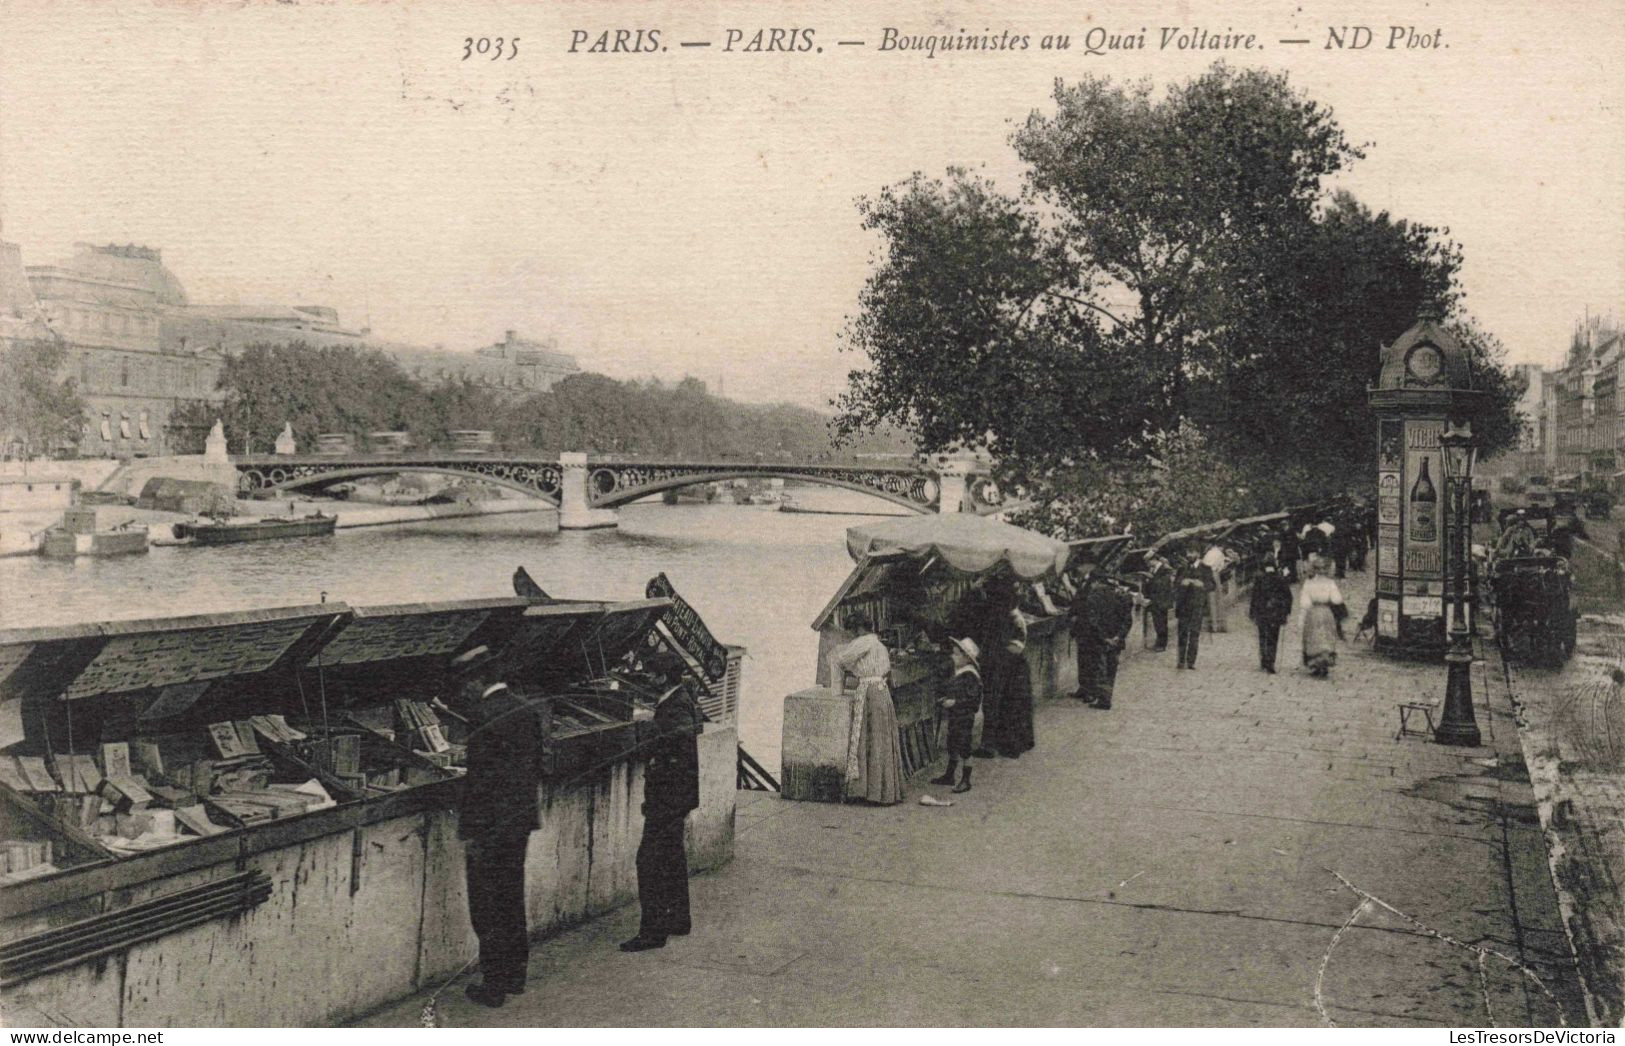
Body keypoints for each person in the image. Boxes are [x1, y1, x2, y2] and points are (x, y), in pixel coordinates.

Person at [450, 646, 542, 1007]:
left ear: (478, 681)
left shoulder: (482, 715)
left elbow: (479, 782)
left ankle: (493, 984)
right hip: (518, 821)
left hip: (489, 827)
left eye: (464, 684)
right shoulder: (526, 708)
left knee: (486, 906)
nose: (461, 692)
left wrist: (471, 832)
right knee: (510, 897)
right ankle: (515, 975)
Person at [622, 668, 703, 952]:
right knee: (671, 857)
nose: (648, 679)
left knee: (650, 862)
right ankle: (679, 918)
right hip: (676, 797)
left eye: (652, 673)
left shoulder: (675, 706)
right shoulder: (680, 700)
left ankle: (652, 933)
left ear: (662, 677)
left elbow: (677, 745)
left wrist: (649, 739)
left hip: (667, 798)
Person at [827, 609, 905, 804]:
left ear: (858, 628)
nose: (852, 634)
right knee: (882, 739)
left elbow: (839, 659)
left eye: (853, 630)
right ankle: (884, 791)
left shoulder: (862, 643)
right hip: (882, 691)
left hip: (869, 692)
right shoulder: (878, 644)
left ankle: (868, 791)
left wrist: (837, 690)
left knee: (866, 739)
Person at [931, 637, 981, 793]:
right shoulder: (959, 672)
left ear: (966, 658)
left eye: (957, 654)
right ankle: (950, 774)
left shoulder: (970, 675)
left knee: (965, 746)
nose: (953, 657)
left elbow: (973, 700)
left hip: (965, 715)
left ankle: (966, 780)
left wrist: (955, 702)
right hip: (955, 715)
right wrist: (945, 699)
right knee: (952, 742)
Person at [1081, 578, 1134, 709]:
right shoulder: (1122, 597)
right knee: (1111, 669)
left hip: (1100, 641)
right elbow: (1127, 620)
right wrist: (1118, 636)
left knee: (1101, 669)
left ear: (1099, 583)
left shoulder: (1094, 597)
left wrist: (1104, 638)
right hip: (1116, 641)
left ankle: (1104, 700)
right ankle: (1106, 697)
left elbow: (1093, 621)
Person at [985, 618, 1034, 758]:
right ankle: (1022, 740)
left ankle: (1011, 745)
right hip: (1016, 661)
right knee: (1018, 703)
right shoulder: (1014, 616)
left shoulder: (1005, 617)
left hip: (1009, 662)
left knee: (1010, 703)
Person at [1300, 557, 1346, 679]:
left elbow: (1304, 602)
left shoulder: (1309, 583)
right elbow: (1337, 599)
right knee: (1326, 637)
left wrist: (1301, 618)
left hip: (1313, 612)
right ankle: (1324, 663)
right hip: (1326, 612)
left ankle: (1315, 664)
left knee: (1313, 638)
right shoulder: (1330, 583)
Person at [1248, 562, 1294, 674]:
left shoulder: (1259, 579)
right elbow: (1288, 597)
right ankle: (1271, 662)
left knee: (1262, 636)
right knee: (1273, 638)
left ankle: (1264, 660)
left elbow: (1254, 597)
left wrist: (1252, 612)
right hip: (1276, 614)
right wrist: (1286, 612)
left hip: (1262, 613)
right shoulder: (1280, 579)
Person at [1174, 550, 1214, 670]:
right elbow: (1176, 583)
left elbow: (1212, 585)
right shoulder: (1182, 568)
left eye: (1192, 553)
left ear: (1198, 554)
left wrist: (1202, 585)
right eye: (1188, 553)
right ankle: (1181, 661)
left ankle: (1191, 661)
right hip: (1183, 606)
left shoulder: (1205, 568)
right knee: (1182, 633)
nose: (1189, 555)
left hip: (1197, 606)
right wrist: (1182, 582)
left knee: (1194, 633)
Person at [1142, 553, 1174, 651]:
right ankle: (1158, 643)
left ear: (1154, 559)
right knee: (1157, 622)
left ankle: (1162, 645)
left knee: (1161, 623)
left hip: (1161, 600)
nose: (1147, 564)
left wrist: (1151, 578)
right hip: (1155, 600)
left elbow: (1163, 585)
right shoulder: (1154, 569)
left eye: (1148, 561)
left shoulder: (1165, 569)